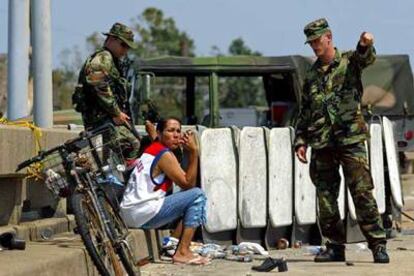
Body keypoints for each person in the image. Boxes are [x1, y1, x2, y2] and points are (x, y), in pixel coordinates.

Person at [294, 18, 389, 263]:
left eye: (317, 40)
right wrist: (300, 140)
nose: (314, 46)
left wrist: (365, 43)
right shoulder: (311, 75)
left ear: (329, 37)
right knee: (326, 198)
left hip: (350, 140)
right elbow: (306, 111)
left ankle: (377, 244)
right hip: (323, 143)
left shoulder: (349, 62)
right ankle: (335, 246)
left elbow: (365, 58)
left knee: (362, 193)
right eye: (311, 42)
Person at [120, 117, 208, 265]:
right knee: (197, 196)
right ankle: (182, 252)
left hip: (130, 213)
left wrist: (152, 131)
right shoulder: (165, 155)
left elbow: (157, 140)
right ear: (160, 134)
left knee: (185, 199)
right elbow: (188, 184)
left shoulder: (154, 148)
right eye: (170, 131)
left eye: (178, 131)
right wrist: (193, 152)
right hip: (141, 213)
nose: (176, 135)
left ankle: (172, 241)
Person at [74, 22, 140, 165]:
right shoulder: (103, 58)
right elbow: (98, 83)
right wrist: (116, 112)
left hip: (106, 118)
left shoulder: (112, 60)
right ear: (112, 39)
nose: (125, 50)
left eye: (127, 47)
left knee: (129, 146)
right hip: (100, 119)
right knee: (132, 144)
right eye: (123, 45)